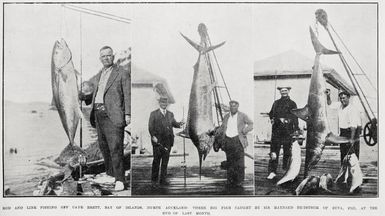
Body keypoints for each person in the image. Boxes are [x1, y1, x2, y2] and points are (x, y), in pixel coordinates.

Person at [80, 46, 131, 191]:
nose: (106, 58)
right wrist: (84, 97)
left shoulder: (122, 72)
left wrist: (128, 114)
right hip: (97, 115)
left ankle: (120, 179)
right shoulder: (99, 75)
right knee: (104, 147)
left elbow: (127, 94)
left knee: (115, 147)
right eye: (103, 56)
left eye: (109, 55)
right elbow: (97, 94)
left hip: (113, 115)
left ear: (113, 56)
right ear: (100, 59)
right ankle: (111, 174)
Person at [148, 97, 184, 186]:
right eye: (162, 102)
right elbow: (150, 127)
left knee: (165, 162)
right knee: (156, 161)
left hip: (168, 142)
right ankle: (154, 181)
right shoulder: (153, 114)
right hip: (158, 142)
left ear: (167, 104)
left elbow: (174, 124)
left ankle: (163, 180)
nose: (164, 104)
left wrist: (180, 123)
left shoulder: (170, 114)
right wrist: (153, 136)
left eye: (165, 103)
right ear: (159, 103)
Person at [267, 86, 299, 180]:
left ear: (288, 91)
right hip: (276, 131)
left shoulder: (292, 103)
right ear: (280, 92)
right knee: (273, 152)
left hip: (287, 131)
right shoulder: (276, 103)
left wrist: (296, 129)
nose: (283, 92)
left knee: (287, 152)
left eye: (285, 90)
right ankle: (272, 171)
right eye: (282, 91)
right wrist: (272, 118)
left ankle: (287, 170)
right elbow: (271, 113)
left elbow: (295, 116)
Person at [219, 100, 253, 187]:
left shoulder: (242, 115)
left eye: (234, 106)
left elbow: (251, 124)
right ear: (229, 107)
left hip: (238, 140)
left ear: (237, 107)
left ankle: (239, 180)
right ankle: (230, 179)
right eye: (231, 106)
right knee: (230, 161)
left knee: (239, 162)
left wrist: (244, 131)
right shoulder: (226, 116)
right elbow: (222, 128)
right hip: (228, 140)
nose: (233, 108)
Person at [326, 90, 361, 164]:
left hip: (352, 132)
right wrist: (328, 95)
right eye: (341, 98)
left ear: (348, 98)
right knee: (343, 152)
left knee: (352, 155)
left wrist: (351, 139)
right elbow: (330, 104)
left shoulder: (352, 109)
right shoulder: (340, 105)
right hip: (343, 132)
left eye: (344, 98)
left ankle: (353, 173)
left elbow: (353, 126)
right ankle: (343, 171)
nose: (342, 100)